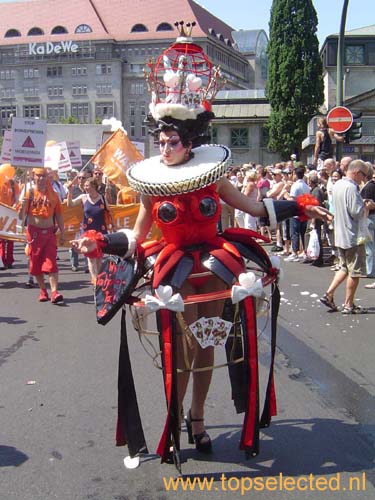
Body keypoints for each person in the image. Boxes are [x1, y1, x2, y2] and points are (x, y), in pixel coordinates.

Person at [71, 26, 331, 470]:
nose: (164, 146)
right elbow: (136, 235)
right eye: (161, 140)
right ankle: (175, 416)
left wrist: (301, 206)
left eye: (172, 140)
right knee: (181, 346)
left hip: (214, 264)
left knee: (208, 344)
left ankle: (196, 416)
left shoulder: (213, 175)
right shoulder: (151, 184)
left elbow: (254, 206)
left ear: (189, 142)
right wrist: (99, 242)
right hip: (174, 269)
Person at [320, 160, 375, 314]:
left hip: (341, 233)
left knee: (344, 267)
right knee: (355, 271)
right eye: (363, 175)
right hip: (353, 235)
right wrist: (367, 206)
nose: (363, 179)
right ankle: (348, 304)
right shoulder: (351, 187)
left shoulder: (338, 185)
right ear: (356, 172)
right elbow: (356, 212)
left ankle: (329, 294)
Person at [18, 168, 65, 303]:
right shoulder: (29, 192)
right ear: (34, 177)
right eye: (38, 176)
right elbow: (21, 217)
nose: (41, 178)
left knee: (51, 263)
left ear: (47, 177)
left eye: (43, 176)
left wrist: (62, 232)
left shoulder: (54, 195)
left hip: (49, 233)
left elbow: (59, 215)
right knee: (36, 264)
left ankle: (55, 292)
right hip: (34, 234)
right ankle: (43, 290)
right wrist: (22, 206)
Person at [67, 176, 112, 283]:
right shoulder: (83, 197)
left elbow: (109, 211)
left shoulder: (101, 198)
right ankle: (95, 280)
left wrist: (113, 226)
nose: (85, 187)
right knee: (91, 257)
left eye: (88, 185)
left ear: (94, 186)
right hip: (87, 231)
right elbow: (70, 204)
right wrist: (70, 192)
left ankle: (99, 277)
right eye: (85, 186)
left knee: (99, 257)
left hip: (100, 230)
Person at [284, 166, 310, 262]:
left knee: (294, 233)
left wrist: (286, 195)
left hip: (296, 212)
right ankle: (304, 251)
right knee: (302, 233)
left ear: (295, 174)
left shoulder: (295, 186)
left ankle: (295, 252)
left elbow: (292, 199)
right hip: (304, 211)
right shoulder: (306, 186)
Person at [360, 163, 375, 286]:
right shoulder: (370, 186)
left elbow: (366, 205)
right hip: (370, 217)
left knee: (369, 246)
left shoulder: (369, 187)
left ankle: (370, 270)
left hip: (370, 218)